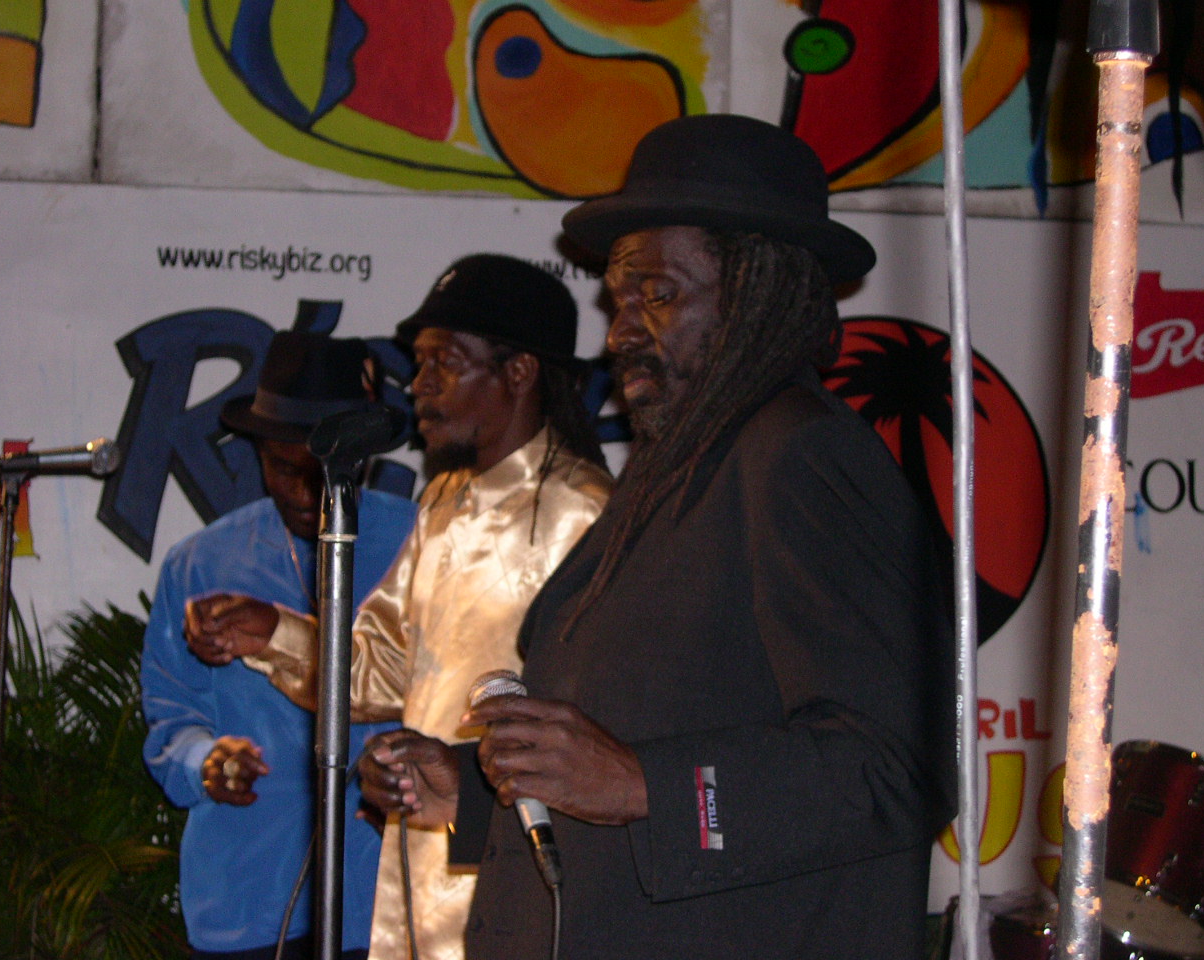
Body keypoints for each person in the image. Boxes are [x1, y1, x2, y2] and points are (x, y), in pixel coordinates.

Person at [360, 114, 959, 960]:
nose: (621, 331)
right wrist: (479, 791)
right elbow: (645, 742)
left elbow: (897, 767)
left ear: (755, 295)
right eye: (621, 299)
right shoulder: (676, 469)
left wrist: (644, 784)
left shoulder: (802, 455)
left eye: (661, 295)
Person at [185, 255, 613, 960]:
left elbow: (597, 726)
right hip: (417, 874)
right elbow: (381, 671)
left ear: (519, 371)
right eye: (419, 364)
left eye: (445, 362)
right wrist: (271, 634)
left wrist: (457, 773)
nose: (419, 385)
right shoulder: (443, 502)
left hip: (516, 881)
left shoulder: (585, 516)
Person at [141, 331, 418, 960]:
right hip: (247, 897)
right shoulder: (201, 562)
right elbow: (171, 718)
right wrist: (206, 760)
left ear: (360, 460)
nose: (300, 492)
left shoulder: (421, 544)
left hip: (388, 901)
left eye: (318, 474)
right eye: (281, 468)